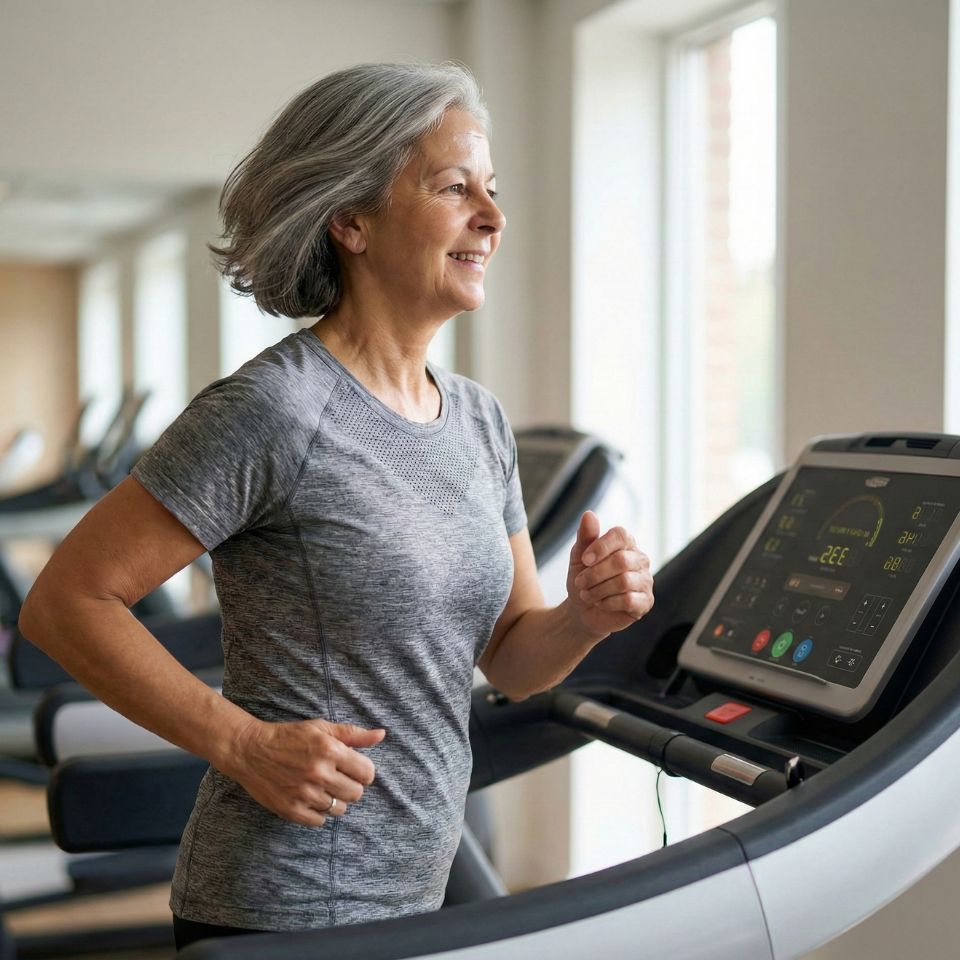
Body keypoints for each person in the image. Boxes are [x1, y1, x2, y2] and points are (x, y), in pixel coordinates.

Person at [19, 62, 654, 949]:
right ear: (351, 220)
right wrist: (240, 744)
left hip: (413, 894)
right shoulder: (275, 409)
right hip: (281, 906)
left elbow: (510, 661)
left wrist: (584, 618)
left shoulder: (478, 419)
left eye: (493, 190)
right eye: (453, 187)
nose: (493, 216)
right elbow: (65, 604)